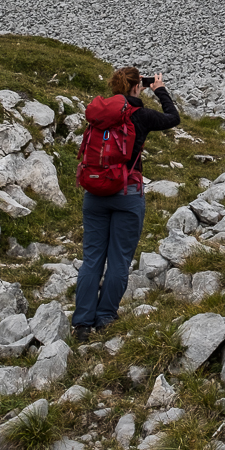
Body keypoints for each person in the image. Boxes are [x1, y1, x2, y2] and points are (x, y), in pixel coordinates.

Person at [72, 66, 180, 342]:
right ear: (136, 87)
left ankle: (82, 323)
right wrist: (160, 90)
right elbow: (173, 118)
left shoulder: (98, 115)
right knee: (119, 258)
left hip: (94, 193)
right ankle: (105, 317)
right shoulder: (140, 115)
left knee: (92, 258)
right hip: (126, 193)